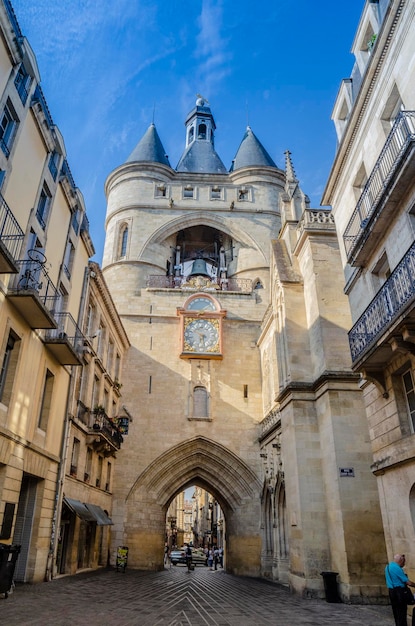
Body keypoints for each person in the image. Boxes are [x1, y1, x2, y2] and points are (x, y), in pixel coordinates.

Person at [385, 554, 415, 626]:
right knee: (402, 612)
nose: (404, 564)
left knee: (396, 612)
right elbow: (408, 582)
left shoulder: (388, 566)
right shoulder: (397, 568)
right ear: (400, 561)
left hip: (391, 591)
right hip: (399, 592)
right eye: (404, 562)